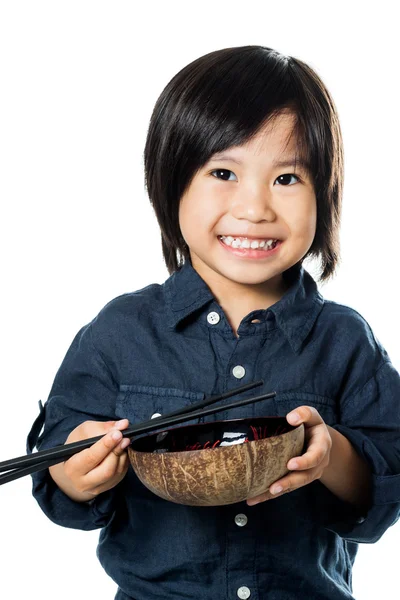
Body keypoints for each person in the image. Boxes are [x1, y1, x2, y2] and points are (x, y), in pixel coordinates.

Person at [27, 45, 400, 600]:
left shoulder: (344, 339)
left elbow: (386, 483)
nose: (255, 208)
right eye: (223, 171)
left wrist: (329, 455)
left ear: (325, 192)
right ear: (171, 181)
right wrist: (75, 470)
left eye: (288, 179)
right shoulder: (119, 330)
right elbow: (58, 475)